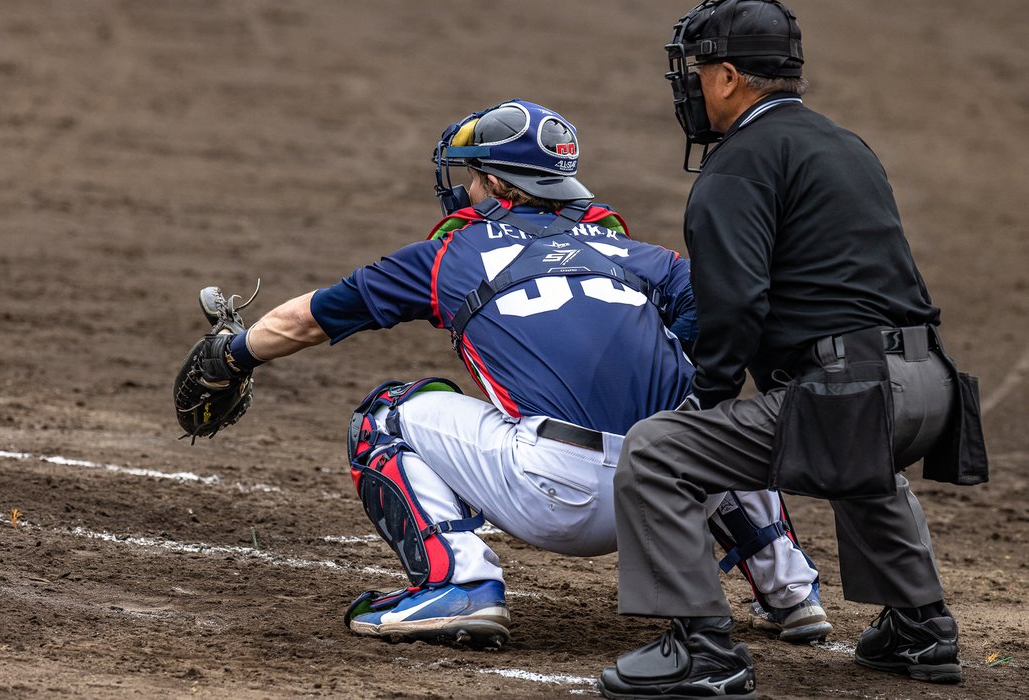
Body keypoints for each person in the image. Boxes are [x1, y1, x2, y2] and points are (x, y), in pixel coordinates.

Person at [185, 99, 830, 649]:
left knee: (384, 414)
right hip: (668, 490)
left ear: (498, 184)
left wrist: (233, 354)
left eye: (472, 176)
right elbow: (731, 321)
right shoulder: (643, 256)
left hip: (554, 496)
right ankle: (790, 587)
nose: (464, 188)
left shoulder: (450, 255)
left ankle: (459, 582)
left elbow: (311, 318)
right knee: (708, 411)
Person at [599, 2, 988, 698]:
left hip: (855, 391)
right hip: (931, 385)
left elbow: (736, 301)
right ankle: (922, 629)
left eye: (695, 71)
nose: (688, 87)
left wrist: (706, 398)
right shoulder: (846, 145)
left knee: (659, 450)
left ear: (727, 77)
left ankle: (702, 651)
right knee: (856, 458)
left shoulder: (737, 166)